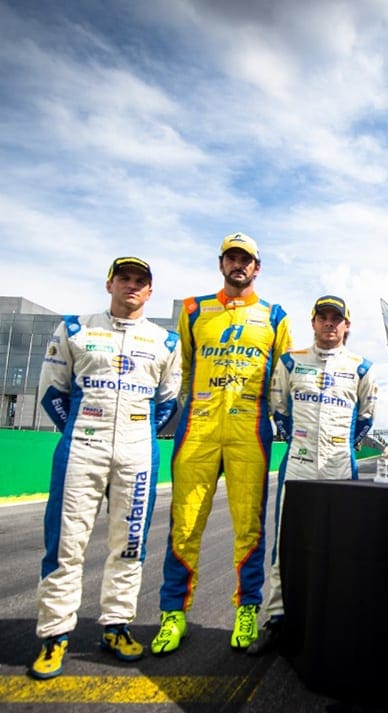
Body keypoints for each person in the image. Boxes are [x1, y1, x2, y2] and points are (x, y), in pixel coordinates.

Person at [28, 256, 181, 680]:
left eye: (140, 281)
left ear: (150, 292)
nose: (132, 286)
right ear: (109, 283)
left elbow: (167, 402)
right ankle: (55, 635)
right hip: (82, 448)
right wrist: (83, 431)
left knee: (130, 545)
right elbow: (52, 392)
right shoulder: (75, 328)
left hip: (137, 453)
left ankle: (116, 626)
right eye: (124, 278)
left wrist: (135, 435)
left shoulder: (165, 342)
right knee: (64, 546)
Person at [151, 232, 292, 655]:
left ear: (257, 267)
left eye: (246, 259)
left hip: (250, 430)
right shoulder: (194, 310)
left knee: (249, 527)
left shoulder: (275, 315)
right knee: (185, 523)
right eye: (231, 258)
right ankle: (173, 614)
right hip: (198, 429)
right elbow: (183, 370)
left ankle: (247, 609)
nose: (239, 265)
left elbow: (282, 377)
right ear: (221, 263)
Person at [246, 294, 378, 656]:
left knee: (341, 545)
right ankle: (276, 619)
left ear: (347, 325)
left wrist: (342, 448)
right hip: (299, 463)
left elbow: (367, 417)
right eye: (323, 317)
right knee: (285, 544)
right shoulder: (291, 362)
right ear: (314, 322)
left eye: (337, 318)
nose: (329, 323)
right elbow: (279, 409)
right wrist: (299, 442)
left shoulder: (360, 367)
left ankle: (337, 620)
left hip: (340, 466)